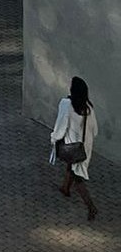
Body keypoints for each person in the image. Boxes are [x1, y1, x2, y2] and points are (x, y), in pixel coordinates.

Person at [52, 75, 98, 221]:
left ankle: (91, 207)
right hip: (85, 148)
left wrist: (54, 138)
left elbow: (61, 126)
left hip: (72, 146)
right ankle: (65, 188)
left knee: (78, 178)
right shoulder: (88, 107)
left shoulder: (66, 104)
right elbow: (95, 130)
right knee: (72, 167)